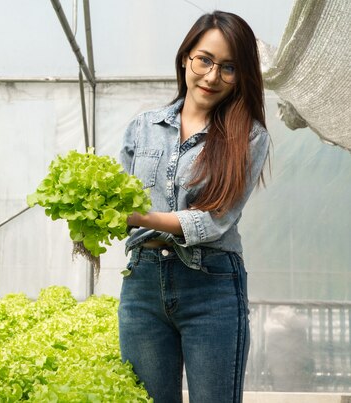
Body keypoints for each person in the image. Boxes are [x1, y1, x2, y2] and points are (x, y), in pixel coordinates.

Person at [118, 11, 270, 403]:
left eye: (229, 67)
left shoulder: (249, 135)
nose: (211, 76)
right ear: (186, 57)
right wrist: (97, 217)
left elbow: (214, 220)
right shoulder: (143, 127)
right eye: (204, 59)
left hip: (212, 285)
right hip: (143, 285)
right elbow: (117, 198)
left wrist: (139, 219)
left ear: (242, 75)